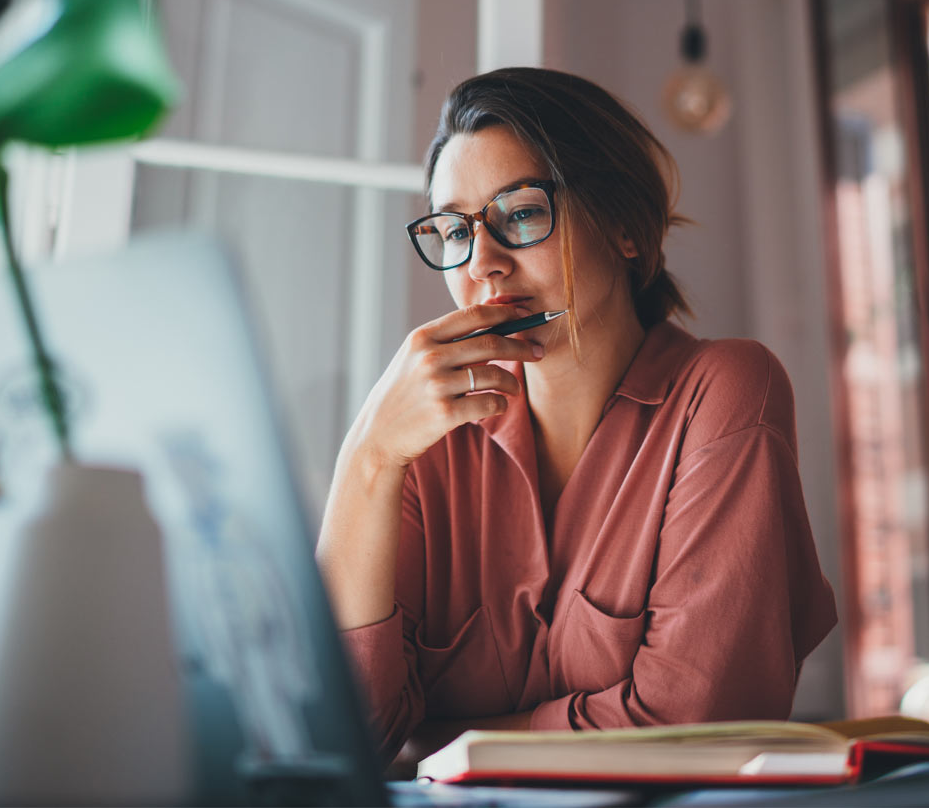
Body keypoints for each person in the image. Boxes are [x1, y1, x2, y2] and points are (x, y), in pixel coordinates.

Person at [316, 67, 837, 769]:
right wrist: (369, 457)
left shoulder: (724, 392)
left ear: (624, 226)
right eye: (454, 230)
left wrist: (437, 744)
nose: (485, 266)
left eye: (522, 213)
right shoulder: (422, 442)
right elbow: (341, 737)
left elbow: (692, 725)